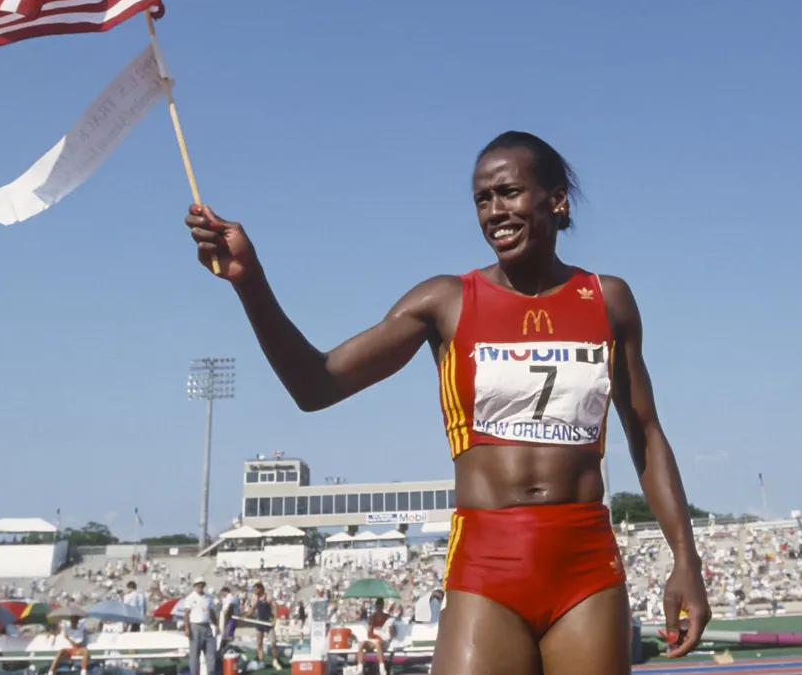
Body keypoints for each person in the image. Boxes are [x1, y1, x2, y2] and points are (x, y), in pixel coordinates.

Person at [184, 131, 711, 674]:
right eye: (482, 199)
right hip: (486, 562)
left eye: (508, 192)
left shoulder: (608, 300)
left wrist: (686, 561)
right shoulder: (446, 301)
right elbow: (315, 386)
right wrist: (249, 282)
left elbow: (645, 432)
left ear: (557, 200)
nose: (494, 211)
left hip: (586, 562)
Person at [178, 580, 216, 675]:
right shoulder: (190, 598)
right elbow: (186, 614)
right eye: (198, 584)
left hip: (207, 626)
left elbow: (211, 613)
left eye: (202, 584)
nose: (200, 586)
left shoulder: (208, 598)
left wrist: (216, 624)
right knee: (195, 655)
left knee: (210, 654)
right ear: (195, 585)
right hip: (195, 626)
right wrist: (187, 628)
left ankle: (211, 672)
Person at [249, 583, 276, 664]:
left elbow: (275, 608)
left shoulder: (268, 596)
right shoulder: (255, 598)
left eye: (255, 589)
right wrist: (244, 615)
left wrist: (275, 620)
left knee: (273, 643)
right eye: (253, 590)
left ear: (260, 589)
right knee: (259, 643)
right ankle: (261, 660)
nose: (254, 591)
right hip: (259, 623)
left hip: (268, 623)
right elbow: (252, 609)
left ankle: (275, 660)